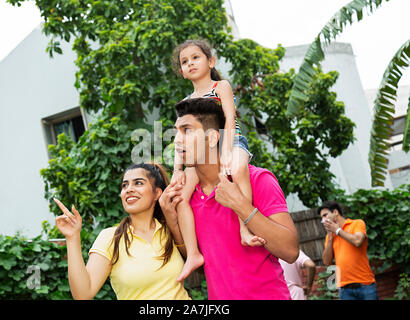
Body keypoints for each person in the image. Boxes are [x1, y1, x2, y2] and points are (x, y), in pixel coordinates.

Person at [159, 97, 299, 299]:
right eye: (176, 132)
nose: (177, 140)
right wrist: (171, 220)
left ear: (213, 138)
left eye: (187, 130)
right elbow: (201, 265)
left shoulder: (257, 179)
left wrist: (240, 205)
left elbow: (290, 251)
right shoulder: (187, 198)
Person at [170, 39, 260, 282]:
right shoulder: (187, 101)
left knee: (239, 168)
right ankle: (193, 254)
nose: (190, 64)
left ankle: (245, 227)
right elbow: (184, 136)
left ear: (210, 62)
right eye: (184, 62)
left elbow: (230, 119)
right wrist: (178, 169)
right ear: (182, 72)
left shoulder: (221, 86)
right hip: (201, 153)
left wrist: (227, 151)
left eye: (195, 58)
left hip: (231, 140)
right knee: (181, 196)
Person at [53, 163, 190, 300]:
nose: (129, 189)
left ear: (157, 193)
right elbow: (83, 294)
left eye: (138, 183)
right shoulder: (111, 237)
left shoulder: (170, 229)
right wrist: (72, 237)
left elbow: (196, 260)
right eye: (125, 185)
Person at [318, 200, 378, 300]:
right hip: (344, 290)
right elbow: (326, 262)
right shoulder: (329, 236)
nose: (323, 220)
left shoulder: (357, 223)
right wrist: (331, 238)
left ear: (335, 212)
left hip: (365, 285)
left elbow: (358, 241)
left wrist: (337, 231)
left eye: (325, 215)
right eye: (321, 218)